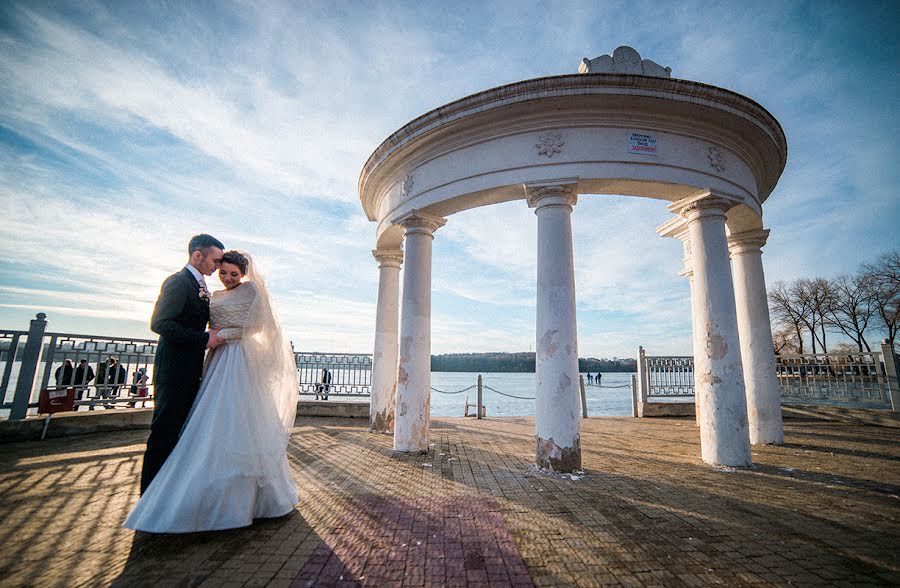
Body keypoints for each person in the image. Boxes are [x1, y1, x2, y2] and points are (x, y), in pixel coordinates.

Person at [125, 250, 298, 533]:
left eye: (234, 274)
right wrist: (210, 338)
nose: (228, 278)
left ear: (244, 274)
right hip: (215, 361)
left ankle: (250, 499)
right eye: (224, 272)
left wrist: (222, 336)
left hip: (239, 359)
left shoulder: (252, 291)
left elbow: (258, 326)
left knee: (238, 420)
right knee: (207, 420)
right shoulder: (213, 295)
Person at [138, 234, 225, 494]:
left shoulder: (199, 285)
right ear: (197, 255)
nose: (217, 266)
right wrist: (204, 339)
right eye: (215, 260)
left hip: (189, 371)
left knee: (179, 432)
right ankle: (150, 497)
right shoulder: (178, 282)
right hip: (173, 372)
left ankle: (167, 493)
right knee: (164, 433)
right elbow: (160, 323)